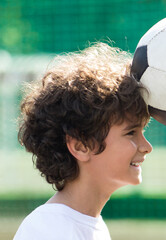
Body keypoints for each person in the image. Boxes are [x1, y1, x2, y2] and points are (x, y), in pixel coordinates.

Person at [14, 42, 153, 240]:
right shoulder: (47, 229)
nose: (147, 147)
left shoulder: (92, 226)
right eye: (131, 133)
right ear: (80, 146)